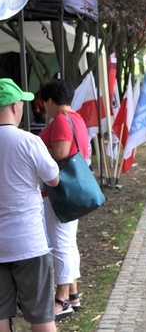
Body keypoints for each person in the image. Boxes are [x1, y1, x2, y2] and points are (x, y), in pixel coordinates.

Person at [0, 78, 60, 332]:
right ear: (15, 106)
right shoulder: (29, 141)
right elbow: (53, 178)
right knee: (41, 317)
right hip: (28, 242)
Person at [38, 78, 89, 321]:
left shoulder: (59, 120)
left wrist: (35, 152)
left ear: (50, 101)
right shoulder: (76, 118)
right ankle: (74, 293)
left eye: (43, 103)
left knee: (60, 245)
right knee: (68, 243)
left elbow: (59, 152)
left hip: (59, 192)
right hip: (73, 192)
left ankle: (62, 300)